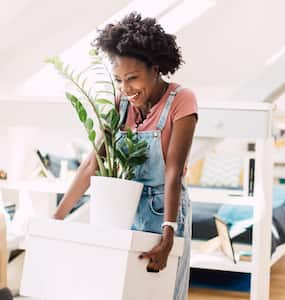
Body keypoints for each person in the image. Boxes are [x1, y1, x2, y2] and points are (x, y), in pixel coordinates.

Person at [54, 12, 198, 300]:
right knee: (121, 290)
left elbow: (173, 172)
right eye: (119, 80)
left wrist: (168, 235)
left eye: (132, 78)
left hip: (164, 210)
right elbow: (92, 164)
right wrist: (56, 219)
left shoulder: (182, 100)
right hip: (124, 208)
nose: (125, 89)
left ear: (155, 69)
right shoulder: (121, 103)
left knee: (160, 292)